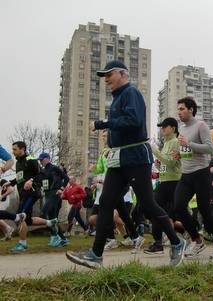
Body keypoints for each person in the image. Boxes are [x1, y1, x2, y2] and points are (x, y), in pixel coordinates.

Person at [66, 60, 186, 269]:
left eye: (109, 75)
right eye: (104, 76)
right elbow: (121, 127)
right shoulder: (118, 98)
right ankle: (96, 255)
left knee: (148, 204)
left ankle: (177, 242)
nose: (106, 80)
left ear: (123, 74)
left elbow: (134, 121)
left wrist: (104, 123)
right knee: (105, 203)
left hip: (137, 158)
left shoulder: (131, 93)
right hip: (118, 160)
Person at [173, 97, 213, 260]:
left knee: (205, 211)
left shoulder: (201, 125)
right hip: (186, 174)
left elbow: (210, 149)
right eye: (178, 109)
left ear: (191, 109)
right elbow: (187, 151)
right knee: (178, 208)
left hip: (201, 173)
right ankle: (197, 240)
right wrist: (179, 155)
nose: (179, 112)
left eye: (182, 109)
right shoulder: (181, 128)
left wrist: (189, 144)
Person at [3, 141, 58, 252]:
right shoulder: (18, 163)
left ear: (22, 149)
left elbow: (41, 174)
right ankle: (50, 223)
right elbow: (21, 178)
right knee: (27, 220)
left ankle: (22, 244)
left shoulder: (31, 160)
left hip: (32, 193)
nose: (13, 151)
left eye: (15, 149)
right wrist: (11, 183)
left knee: (20, 216)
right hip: (23, 194)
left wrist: (32, 181)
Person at [145, 117, 182, 254]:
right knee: (154, 210)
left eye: (164, 126)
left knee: (175, 216)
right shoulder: (166, 143)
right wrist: (159, 166)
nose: (162, 129)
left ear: (173, 128)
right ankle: (158, 243)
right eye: (161, 127)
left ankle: (190, 234)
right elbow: (166, 163)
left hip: (174, 183)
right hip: (164, 182)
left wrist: (156, 152)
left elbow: (172, 163)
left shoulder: (176, 142)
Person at [38, 152, 70, 246]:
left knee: (44, 212)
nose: (41, 162)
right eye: (39, 160)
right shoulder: (43, 170)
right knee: (53, 218)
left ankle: (55, 237)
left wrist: (61, 189)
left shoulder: (54, 168)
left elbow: (66, 178)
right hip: (48, 195)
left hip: (55, 193)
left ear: (48, 158)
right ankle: (63, 239)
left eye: (42, 159)